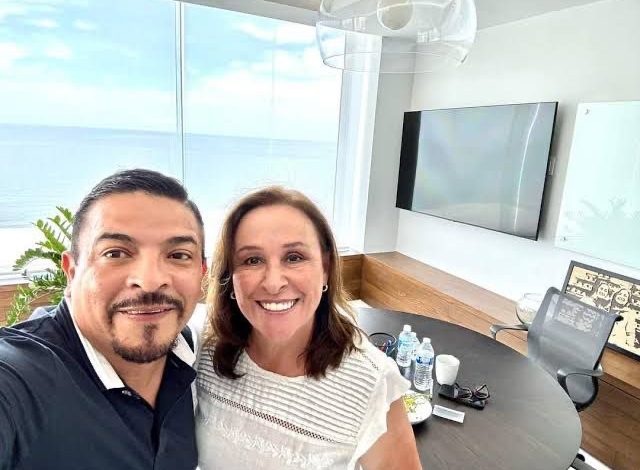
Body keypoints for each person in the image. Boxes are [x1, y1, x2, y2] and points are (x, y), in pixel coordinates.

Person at [196, 186, 421, 470]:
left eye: (294, 257)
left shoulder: (371, 383)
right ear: (230, 276)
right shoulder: (204, 350)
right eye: (252, 260)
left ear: (325, 268)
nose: (273, 283)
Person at [0, 169, 206, 469]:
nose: (150, 281)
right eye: (116, 253)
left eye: (178, 255)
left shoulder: (195, 357)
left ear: (201, 274)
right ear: (71, 272)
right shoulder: (21, 379)